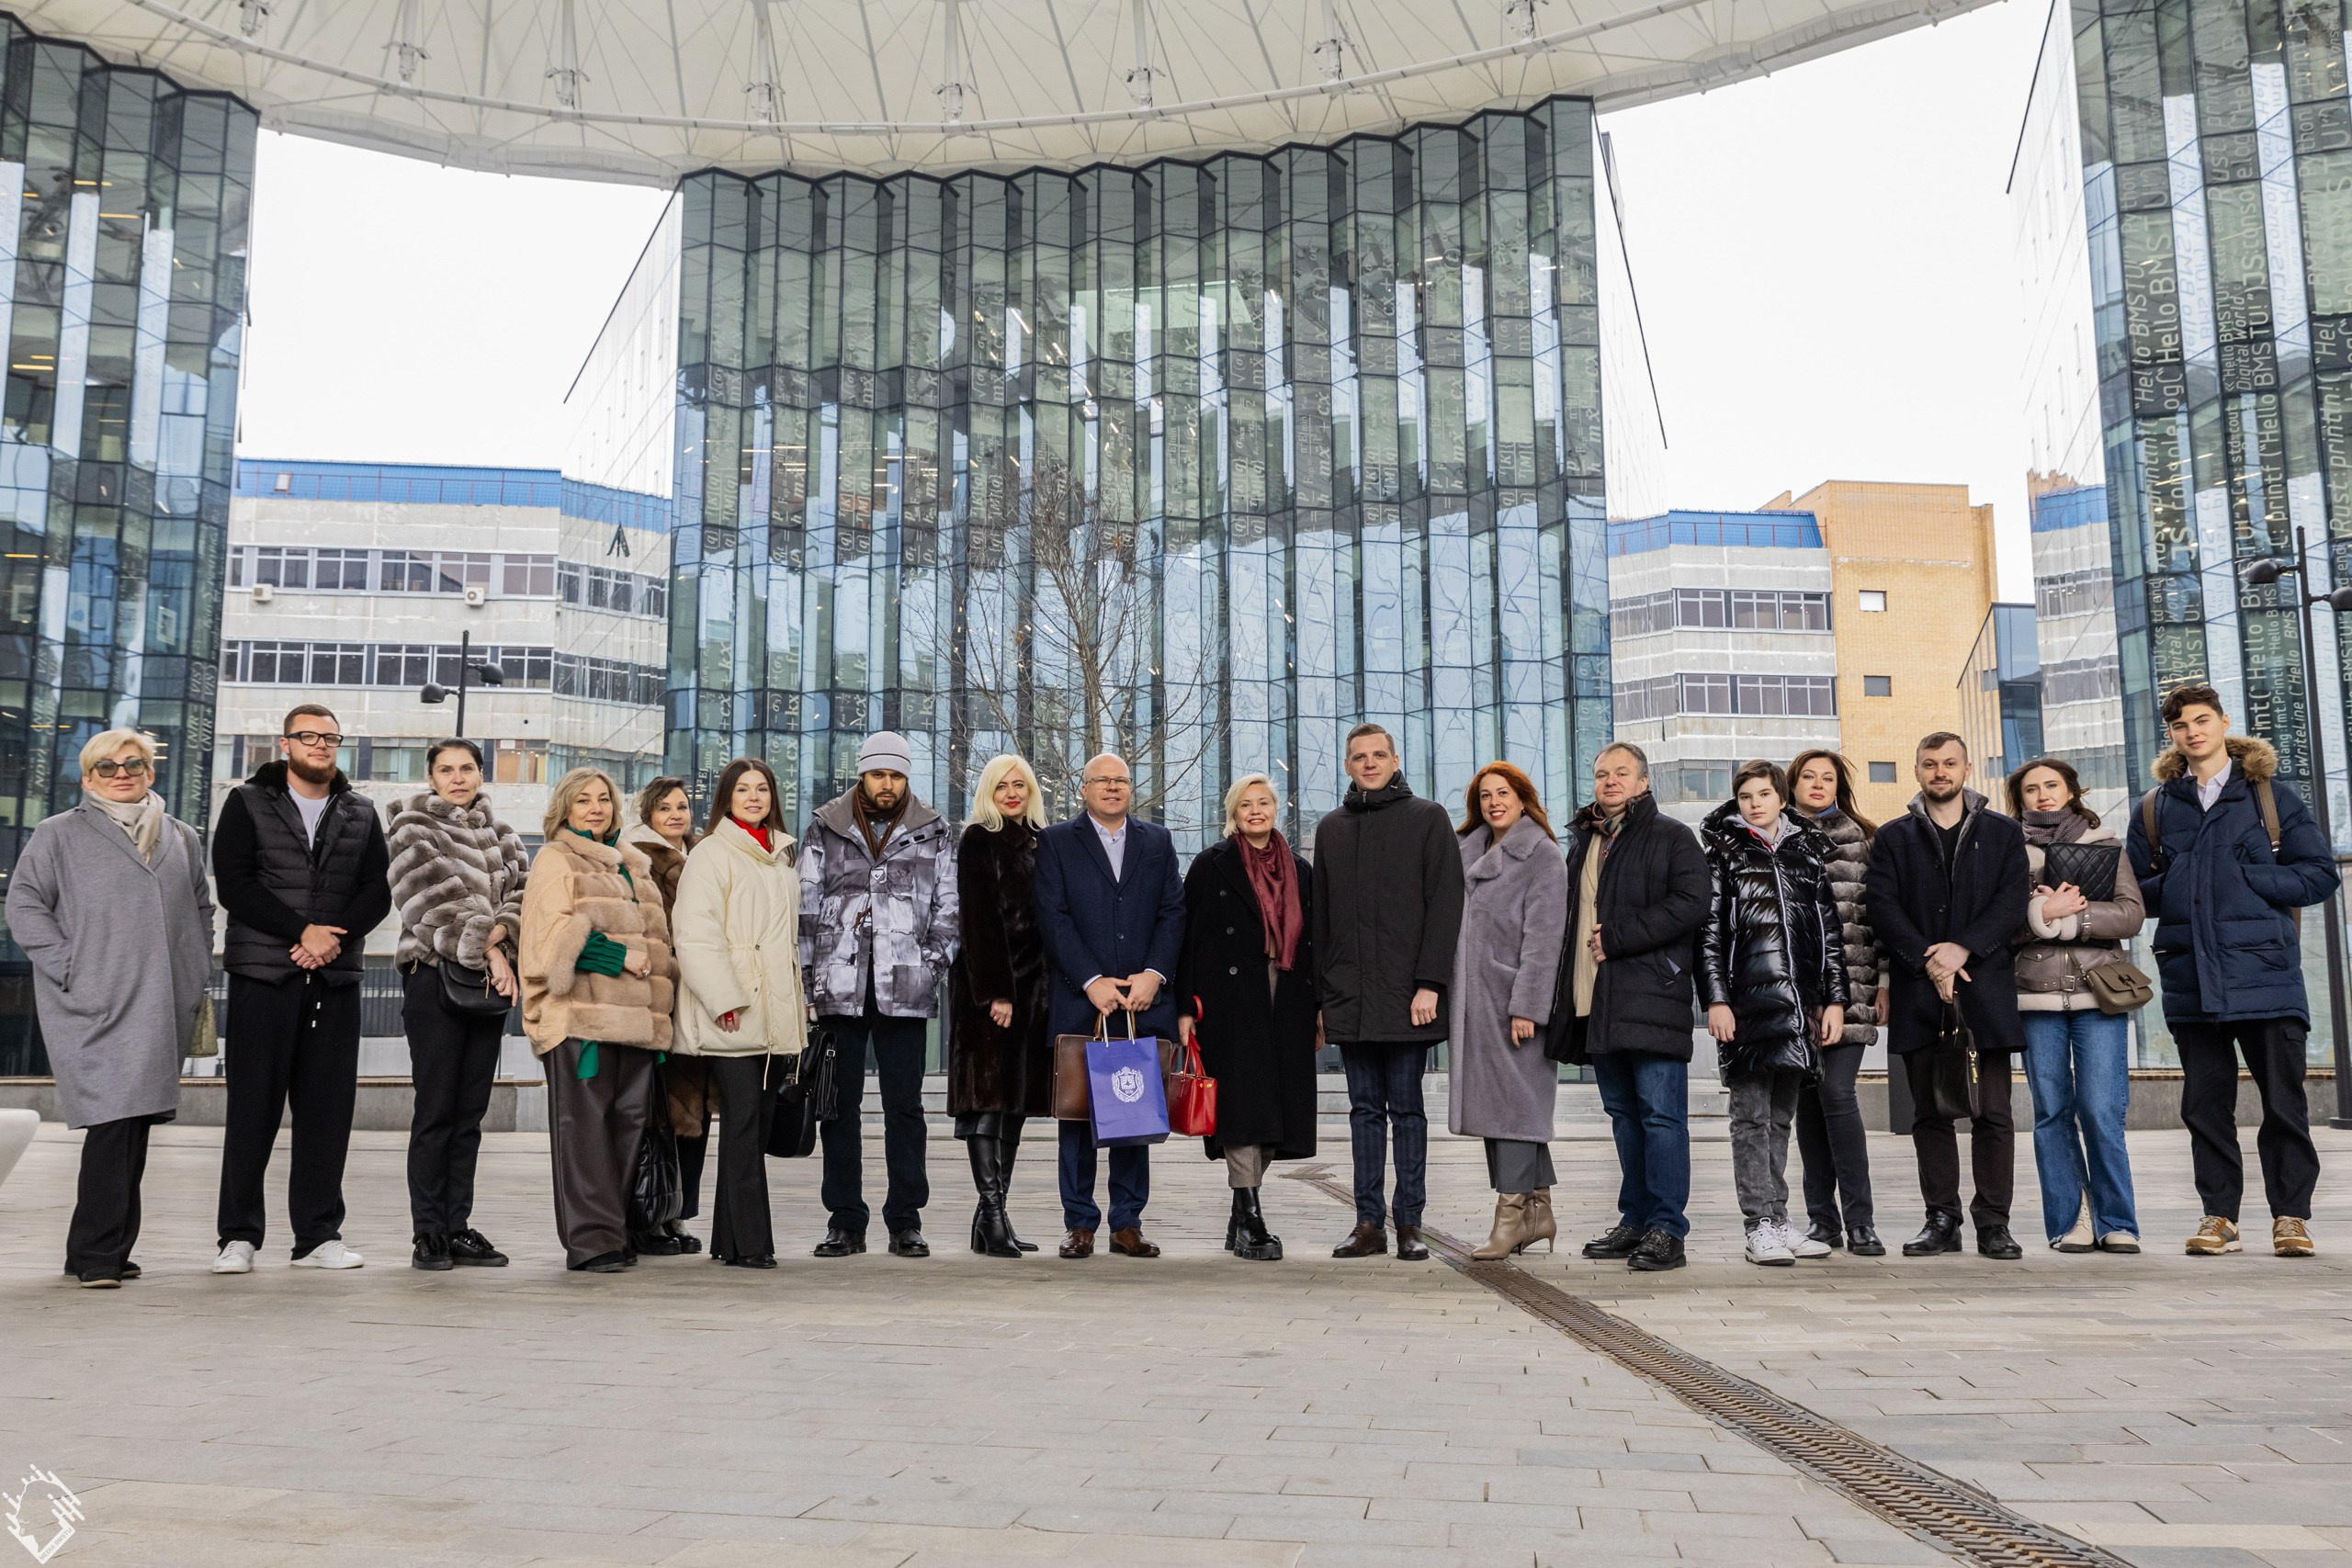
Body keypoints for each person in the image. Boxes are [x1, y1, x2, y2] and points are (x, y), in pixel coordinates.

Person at [2126, 683, 2338, 1258]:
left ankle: (2290, 1216)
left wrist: (2251, 878)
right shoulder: (2155, 807)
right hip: (2192, 976)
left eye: (2202, 720)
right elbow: (2131, 893)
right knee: (2203, 1106)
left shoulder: (2269, 796)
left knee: (2284, 1103)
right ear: (2170, 735)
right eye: (2180, 725)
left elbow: (2320, 874)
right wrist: (2178, 882)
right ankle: (2220, 1216)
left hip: (2264, 974)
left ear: (2223, 723)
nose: (2192, 732)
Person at [6, 729, 212, 1287]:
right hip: (93, 1001)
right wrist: (69, 965)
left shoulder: (180, 835)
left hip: (163, 997)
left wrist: (196, 969)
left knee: (134, 1122)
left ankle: (98, 1250)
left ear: (150, 772)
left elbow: (200, 904)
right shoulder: (59, 834)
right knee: (113, 1121)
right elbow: (23, 903)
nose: (120, 773)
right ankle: (100, 1254)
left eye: (133, 764)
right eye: (106, 766)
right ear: (86, 778)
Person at [209, 705, 392, 1275]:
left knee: (326, 1112)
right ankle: (238, 1237)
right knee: (252, 1110)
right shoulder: (246, 803)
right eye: (308, 736)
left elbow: (376, 889)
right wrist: (301, 932)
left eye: (330, 737)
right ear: (285, 744)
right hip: (264, 976)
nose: (320, 745)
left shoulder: (360, 812)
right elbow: (235, 883)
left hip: (332, 978)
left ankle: (317, 1236)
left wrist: (329, 940)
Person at [1864, 732, 2030, 1261]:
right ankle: (1942, 1219)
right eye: (1931, 764)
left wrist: (1962, 950)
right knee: (1929, 1112)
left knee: (1994, 1112)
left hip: (1985, 989)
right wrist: (1927, 958)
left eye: (1950, 763)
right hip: (1919, 992)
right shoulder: (1893, 837)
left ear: (1967, 768)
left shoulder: (2003, 833)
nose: (1941, 772)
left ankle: (1993, 1223)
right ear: (1917, 771)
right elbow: (1881, 907)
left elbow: (2011, 904)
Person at [800, 732, 959, 1259]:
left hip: (905, 985)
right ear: (862, 775)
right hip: (839, 986)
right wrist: (809, 979)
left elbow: (948, 907)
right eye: (878, 774)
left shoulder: (932, 830)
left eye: (895, 775)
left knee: (905, 1108)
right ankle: (845, 1220)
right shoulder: (827, 825)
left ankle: (905, 1219)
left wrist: (929, 964)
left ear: (906, 777)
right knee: (838, 1107)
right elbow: (804, 905)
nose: (887, 784)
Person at [1312, 723, 1465, 1261]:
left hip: (1407, 997)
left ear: (1395, 759)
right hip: (1349, 997)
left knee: (1407, 1109)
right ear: (1348, 765)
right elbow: (1322, 921)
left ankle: (1410, 1224)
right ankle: (1367, 1223)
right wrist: (1322, 1001)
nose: (1370, 764)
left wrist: (1430, 984)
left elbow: (1445, 906)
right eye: (1359, 757)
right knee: (1362, 1112)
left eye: (1379, 755)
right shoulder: (1331, 828)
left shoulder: (1427, 819)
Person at [518, 767, 678, 1272]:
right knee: (585, 1130)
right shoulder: (555, 858)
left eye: (604, 799)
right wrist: (618, 958)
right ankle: (591, 1242)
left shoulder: (633, 865)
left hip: (636, 1022)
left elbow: (661, 945)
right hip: (581, 1019)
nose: (595, 808)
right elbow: (549, 939)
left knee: (627, 1127)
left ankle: (615, 1230)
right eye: (583, 800)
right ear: (565, 807)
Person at [1558, 742, 1710, 1274]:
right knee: (1624, 1115)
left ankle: (1668, 1228)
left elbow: (1694, 903)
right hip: (1595, 999)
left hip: (1652, 995)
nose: (1610, 782)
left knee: (1661, 1116)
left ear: (1644, 782)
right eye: (1601, 774)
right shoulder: (1583, 843)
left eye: (1622, 773)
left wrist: (1620, 936)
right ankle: (1635, 1218)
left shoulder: (1671, 836)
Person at [386, 738, 531, 1273]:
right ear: (431, 777)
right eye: (446, 769)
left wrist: (501, 935)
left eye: (467, 768)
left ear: (479, 773)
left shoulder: (504, 834)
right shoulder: (411, 826)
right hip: (433, 977)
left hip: (488, 985)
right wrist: (490, 948)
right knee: (436, 1110)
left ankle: (457, 1224)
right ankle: (428, 1232)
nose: (457, 777)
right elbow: (428, 899)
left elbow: (522, 894)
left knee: (470, 1111)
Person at [1034, 750, 1185, 1260]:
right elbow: (1052, 917)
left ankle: (1127, 1222)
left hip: (1142, 1001)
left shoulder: (1157, 841)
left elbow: (1173, 912)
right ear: (1084, 788)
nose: (1113, 788)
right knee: (1078, 1114)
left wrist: (1155, 975)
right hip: (1084, 1001)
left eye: (1121, 780)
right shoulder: (1055, 842)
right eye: (1103, 780)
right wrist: (1091, 979)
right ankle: (1079, 1222)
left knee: (1134, 1113)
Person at [1700, 760, 1849, 1267]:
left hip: (1799, 1007)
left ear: (1781, 799)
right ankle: (1758, 1224)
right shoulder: (1723, 852)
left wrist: (1834, 1001)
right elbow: (1711, 934)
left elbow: (1829, 935)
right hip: (1745, 1006)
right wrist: (1716, 1000)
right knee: (1750, 1118)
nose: (1755, 803)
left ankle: (1781, 1220)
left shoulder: (1807, 856)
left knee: (1781, 1117)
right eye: (1746, 796)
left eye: (1764, 794)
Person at [1173, 774, 1319, 1263]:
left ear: (1276, 809)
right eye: (1245, 805)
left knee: (1276, 1107)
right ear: (1233, 814)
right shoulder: (1211, 865)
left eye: (1264, 803)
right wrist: (1184, 1008)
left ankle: (1241, 1213)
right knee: (1240, 1109)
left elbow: (1314, 941)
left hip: (1288, 998)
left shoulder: (1300, 868)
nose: (1255, 811)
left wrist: (1319, 1008)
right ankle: (1251, 1213)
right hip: (1229, 1000)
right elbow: (1186, 938)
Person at [673, 757, 809, 1269]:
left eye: (762, 789)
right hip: (734, 1008)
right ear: (726, 798)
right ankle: (752, 1243)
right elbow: (694, 933)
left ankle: (729, 1241)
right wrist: (723, 997)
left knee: (751, 1123)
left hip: (773, 1013)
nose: (754, 797)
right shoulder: (711, 853)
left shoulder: (778, 856)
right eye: (743, 790)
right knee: (744, 1122)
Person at [2008, 756, 2146, 1253]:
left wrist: (2072, 919)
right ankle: (2071, 1220)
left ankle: (2117, 1221)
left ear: (2071, 790)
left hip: (2100, 994)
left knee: (2102, 1109)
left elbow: (2131, 914)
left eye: (2052, 785)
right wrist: (2041, 912)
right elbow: (1998, 926)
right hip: (2035, 995)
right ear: (2018, 798)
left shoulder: (2105, 844)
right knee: (2051, 1112)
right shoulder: (2008, 851)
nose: (2042, 794)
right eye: (2031, 789)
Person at [1448, 762, 1569, 1260]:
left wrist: (1528, 1007)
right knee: (1503, 1109)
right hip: (1476, 1005)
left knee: (1517, 1111)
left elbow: (1544, 941)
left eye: (1503, 793)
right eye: (1485, 796)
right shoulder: (1467, 853)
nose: (1494, 802)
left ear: (1523, 799)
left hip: (1514, 1005)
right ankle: (1538, 1216)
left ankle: (1510, 1216)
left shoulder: (1542, 855)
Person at [947, 753, 1052, 1258]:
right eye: (1001, 786)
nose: (1012, 793)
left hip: (1034, 989)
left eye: (1020, 785)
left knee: (1013, 1104)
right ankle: (991, 1215)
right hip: (989, 991)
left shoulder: (1038, 842)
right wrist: (997, 993)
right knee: (987, 1100)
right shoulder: (978, 840)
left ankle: (995, 1218)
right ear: (987, 794)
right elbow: (979, 922)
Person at [1785, 750, 1884, 1256]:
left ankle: (1861, 1221)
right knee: (1807, 1101)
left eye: (1828, 778)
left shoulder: (1864, 839)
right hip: (1791, 993)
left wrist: (1883, 979)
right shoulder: (1774, 835)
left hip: (1852, 987)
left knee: (1838, 1096)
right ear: (1793, 783)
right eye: (1809, 777)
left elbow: (1879, 917)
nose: (1818, 785)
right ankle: (1821, 1222)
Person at [621, 776, 707, 1255]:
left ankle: (678, 1212)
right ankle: (649, 1215)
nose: (675, 814)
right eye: (665, 808)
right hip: (662, 993)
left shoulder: (703, 854)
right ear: (648, 814)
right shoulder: (640, 857)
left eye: (681, 806)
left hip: (700, 995)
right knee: (662, 1112)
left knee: (695, 1112)